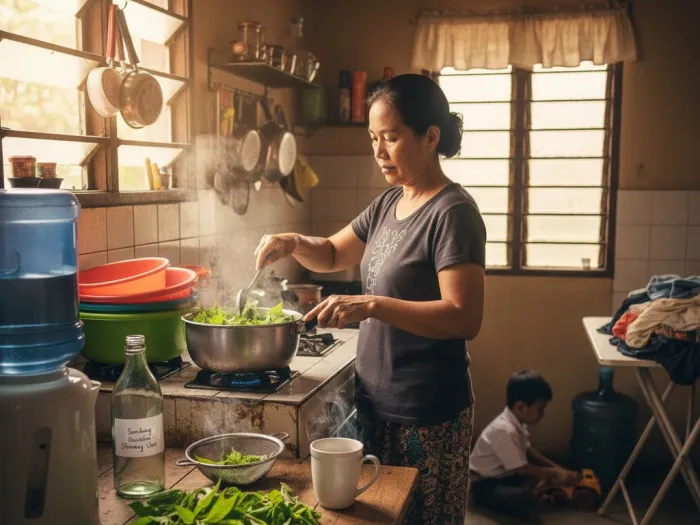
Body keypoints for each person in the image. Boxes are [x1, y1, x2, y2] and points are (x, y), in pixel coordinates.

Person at [253, 73, 486, 525]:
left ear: (430, 137)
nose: (379, 151)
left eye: (392, 138)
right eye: (374, 138)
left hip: (428, 414)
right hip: (377, 404)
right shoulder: (389, 203)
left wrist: (372, 304)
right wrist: (292, 239)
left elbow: (464, 318)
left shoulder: (453, 213)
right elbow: (333, 252)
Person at [469, 370, 580, 521]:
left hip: (506, 474)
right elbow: (521, 469)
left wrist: (557, 468)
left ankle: (538, 489)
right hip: (485, 483)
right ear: (521, 407)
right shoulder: (504, 430)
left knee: (550, 463)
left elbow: (529, 450)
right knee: (522, 501)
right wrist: (554, 473)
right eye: (540, 409)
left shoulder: (516, 422)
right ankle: (533, 493)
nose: (542, 414)